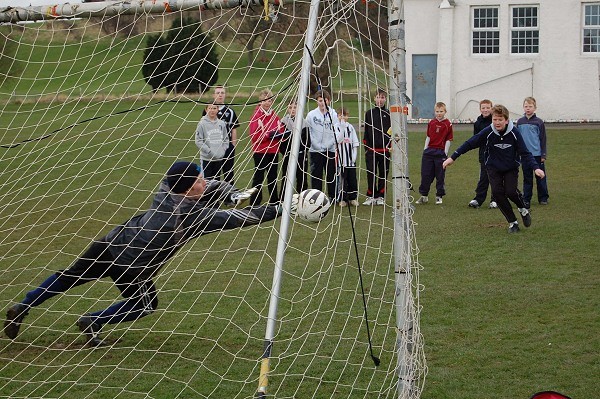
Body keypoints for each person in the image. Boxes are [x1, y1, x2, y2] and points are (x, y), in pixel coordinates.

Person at [3, 161, 276, 346]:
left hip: (110, 244)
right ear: (189, 186)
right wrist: (282, 208)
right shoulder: (189, 215)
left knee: (67, 277)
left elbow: (209, 185)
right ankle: (92, 320)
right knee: (146, 304)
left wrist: (230, 192)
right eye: (199, 179)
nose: (204, 181)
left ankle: (23, 306)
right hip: (133, 267)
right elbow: (240, 218)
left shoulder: (166, 188)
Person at [443, 105, 545, 233]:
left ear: (506, 120)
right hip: (492, 167)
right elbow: (470, 143)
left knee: (511, 192)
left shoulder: (514, 133)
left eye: (500, 120)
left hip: (510, 167)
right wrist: (453, 157)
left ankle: (523, 210)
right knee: (497, 193)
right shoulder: (488, 132)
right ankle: (513, 223)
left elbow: (525, 153)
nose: (497, 122)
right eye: (495, 119)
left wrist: (536, 168)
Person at [249, 89, 284, 205]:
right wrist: (269, 135)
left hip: (273, 151)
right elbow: (254, 136)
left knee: (273, 177)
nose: (267, 103)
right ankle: (254, 201)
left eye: (270, 100)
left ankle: (274, 200)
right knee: (258, 177)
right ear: (260, 101)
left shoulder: (275, 116)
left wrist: (279, 135)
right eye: (265, 100)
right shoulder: (256, 115)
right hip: (260, 151)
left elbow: (281, 130)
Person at [416, 102, 453, 205]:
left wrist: (445, 153)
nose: (439, 113)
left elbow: (448, 140)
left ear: (445, 112)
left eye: (441, 111)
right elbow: (428, 136)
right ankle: (424, 196)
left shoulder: (448, 124)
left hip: (440, 153)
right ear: (434, 111)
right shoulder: (431, 123)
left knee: (440, 175)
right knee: (426, 174)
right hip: (429, 152)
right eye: (437, 111)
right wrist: (425, 149)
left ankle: (439, 196)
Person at [201, 86, 240, 185]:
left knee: (228, 173)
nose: (220, 95)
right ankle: (215, 197)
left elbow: (234, 129)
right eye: (218, 93)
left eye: (222, 93)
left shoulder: (230, 112)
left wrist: (233, 145)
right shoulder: (208, 110)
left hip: (226, 146)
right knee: (215, 174)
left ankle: (229, 196)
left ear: (225, 95)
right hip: (212, 147)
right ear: (214, 95)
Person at [305, 90, 339, 202]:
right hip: (315, 150)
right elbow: (308, 132)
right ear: (316, 101)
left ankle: (333, 197)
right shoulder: (311, 115)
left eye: (325, 100)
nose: (322, 103)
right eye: (320, 100)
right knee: (316, 175)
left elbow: (337, 132)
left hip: (330, 150)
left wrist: (329, 144)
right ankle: (316, 198)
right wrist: (315, 144)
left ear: (328, 100)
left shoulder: (334, 115)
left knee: (331, 175)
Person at [516, 96, 549, 208]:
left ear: (535, 108)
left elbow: (543, 139)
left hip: (537, 155)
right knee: (527, 178)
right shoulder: (520, 122)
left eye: (530, 106)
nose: (528, 108)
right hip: (525, 155)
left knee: (540, 177)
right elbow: (517, 139)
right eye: (526, 106)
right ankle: (526, 199)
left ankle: (543, 197)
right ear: (523, 107)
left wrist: (543, 154)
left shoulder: (539, 122)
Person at [362, 88, 391, 206]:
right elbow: (366, 131)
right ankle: (370, 195)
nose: (380, 100)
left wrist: (390, 146)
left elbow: (392, 132)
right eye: (378, 97)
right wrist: (367, 147)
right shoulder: (369, 113)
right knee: (371, 173)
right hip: (371, 150)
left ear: (385, 99)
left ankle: (381, 196)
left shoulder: (389, 114)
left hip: (385, 150)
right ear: (374, 98)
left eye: (382, 97)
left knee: (383, 174)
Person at [468, 99, 497, 209]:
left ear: (491, 108)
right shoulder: (478, 123)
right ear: (480, 109)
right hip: (484, 154)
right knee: (483, 178)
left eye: (488, 108)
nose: (485, 110)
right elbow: (476, 138)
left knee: (495, 178)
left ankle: (495, 200)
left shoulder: (495, 121)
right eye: (483, 108)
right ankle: (478, 199)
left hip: (496, 154)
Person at [280, 100, 309, 196]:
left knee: (301, 177)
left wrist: (302, 151)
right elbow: (281, 141)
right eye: (290, 107)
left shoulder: (304, 122)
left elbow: (308, 141)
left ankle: (302, 198)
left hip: (301, 155)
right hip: (288, 155)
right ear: (287, 109)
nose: (293, 110)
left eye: (295, 107)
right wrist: (285, 152)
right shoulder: (283, 122)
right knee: (286, 177)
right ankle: (283, 199)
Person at [195, 103, 229, 180]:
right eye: (210, 108)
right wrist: (209, 151)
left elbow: (226, 139)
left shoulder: (221, 123)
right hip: (207, 159)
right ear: (206, 110)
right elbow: (198, 141)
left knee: (216, 182)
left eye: (214, 108)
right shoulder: (202, 123)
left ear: (217, 109)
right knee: (207, 183)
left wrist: (223, 150)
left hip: (218, 158)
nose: (212, 110)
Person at [334, 107, 360, 207]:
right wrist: (342, 127)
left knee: (352, 180)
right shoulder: (336, 127)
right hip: (341, 161)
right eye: (340, 115)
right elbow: (338, 140)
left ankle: (352, 198)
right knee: (342, 181)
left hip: (350, 161)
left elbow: (355, 143)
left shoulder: (351, 127)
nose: (342, 117)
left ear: (348, 116)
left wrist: (354, 157)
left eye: (344, 115)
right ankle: (342, 199)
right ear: (337, 116)